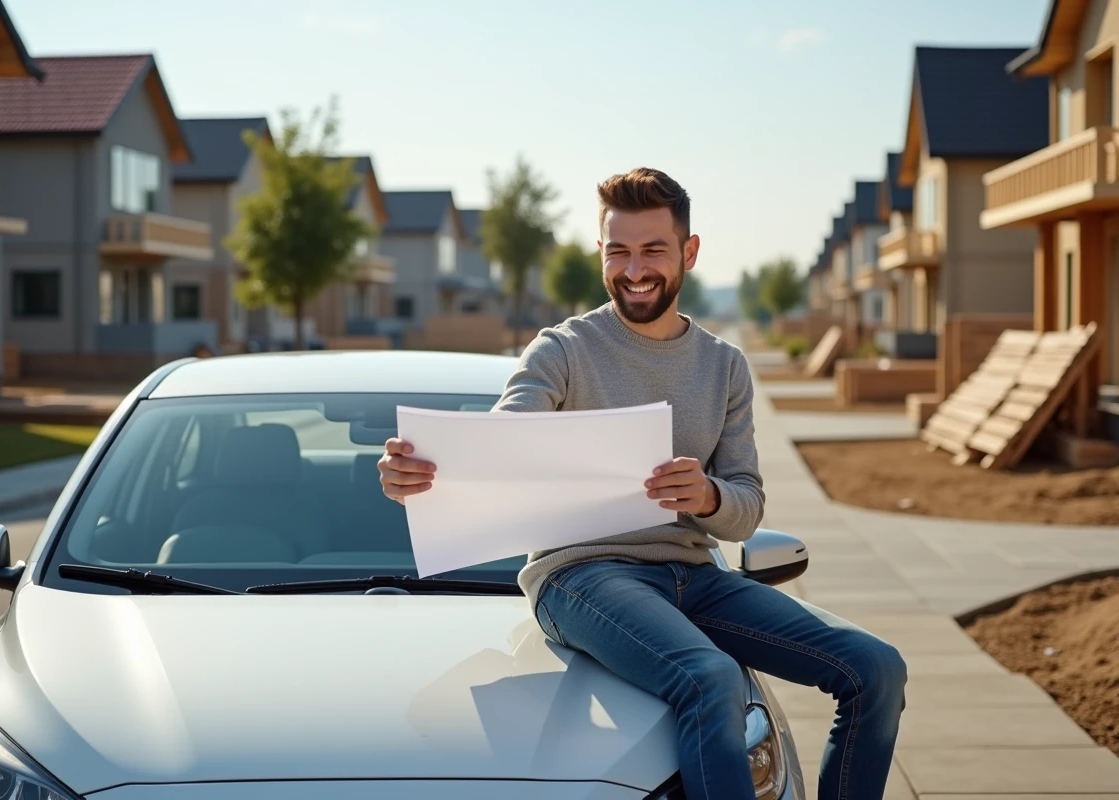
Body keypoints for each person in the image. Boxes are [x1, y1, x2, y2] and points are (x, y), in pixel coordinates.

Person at [378, 167, 907, 800]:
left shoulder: (724, 366)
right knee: (711, 677)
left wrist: (708, 496)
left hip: (698, 579)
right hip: (581, 577)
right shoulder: (562, 351)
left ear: (689, 251)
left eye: (653, 249)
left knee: (875, 668)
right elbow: (501, 446)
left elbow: (745, 509)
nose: (634, 269)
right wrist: (424, 475)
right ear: (600, 251)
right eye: (618, 250)